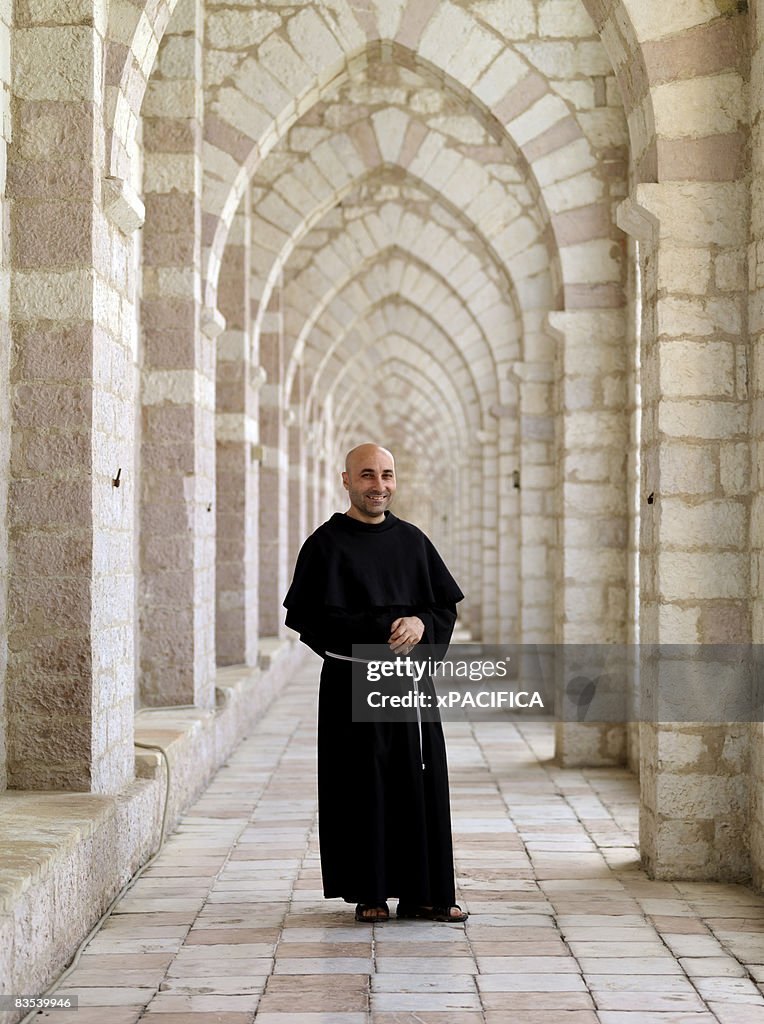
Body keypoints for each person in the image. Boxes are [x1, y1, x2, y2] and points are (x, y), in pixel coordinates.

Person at [283, 443, 467, 924]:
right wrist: (383, 628)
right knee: (362, 783)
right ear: (346, 480)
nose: (378, 486)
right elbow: (311, 620)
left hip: (409, 683)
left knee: (420, 779)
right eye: (367, 475)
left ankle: (426, 892)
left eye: (387, 475)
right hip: (350, 683)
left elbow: (443, 608)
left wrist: (423, 624)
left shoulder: (413, 542)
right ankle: (371, 890)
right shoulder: (325, 544)